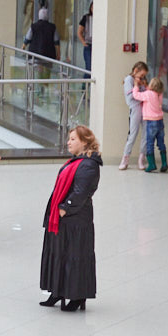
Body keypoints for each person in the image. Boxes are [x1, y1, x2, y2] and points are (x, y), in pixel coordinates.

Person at [39, 126, 102, 312]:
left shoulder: (89, 164)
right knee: (60, 253)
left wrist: (64, 209)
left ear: (84, 141)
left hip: (76, 220)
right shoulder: (77, 161)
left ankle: (77, 296)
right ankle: (58, 291)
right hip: (63, 219)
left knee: (75, 255)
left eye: (73, 139)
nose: (69, 142)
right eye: (69, 139)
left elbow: (81, 192)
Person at [132, 75, 168, 172]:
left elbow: (136, 96)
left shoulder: (148, 94)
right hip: (160, 121)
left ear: (151, 86)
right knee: (161, 143)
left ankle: (151, 164)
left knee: (150, 143)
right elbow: (153, 91)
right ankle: (164, 163)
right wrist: (147, 86)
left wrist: (136, 86)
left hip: (151, 122)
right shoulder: (159, 94)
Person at [120, 61, 149, 171]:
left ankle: (142, 158)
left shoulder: (141, 81)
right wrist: (137, 86)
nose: (142, 77)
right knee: (133, 134)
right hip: (136, 108)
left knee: (146, 133)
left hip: (145, 108)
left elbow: (146, 94)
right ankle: (125, 158)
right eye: (141, 75)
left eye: (144, 76)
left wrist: (144, 86)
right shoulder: (129, 80)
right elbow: (131, 96)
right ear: (136, 70)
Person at [78, 3, 94, 71]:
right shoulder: (86, 17)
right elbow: (79, 32)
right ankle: (85, 82)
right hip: (88, 45)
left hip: (98, 46)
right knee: (89, 67)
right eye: (92, 8)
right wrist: (83, 42)